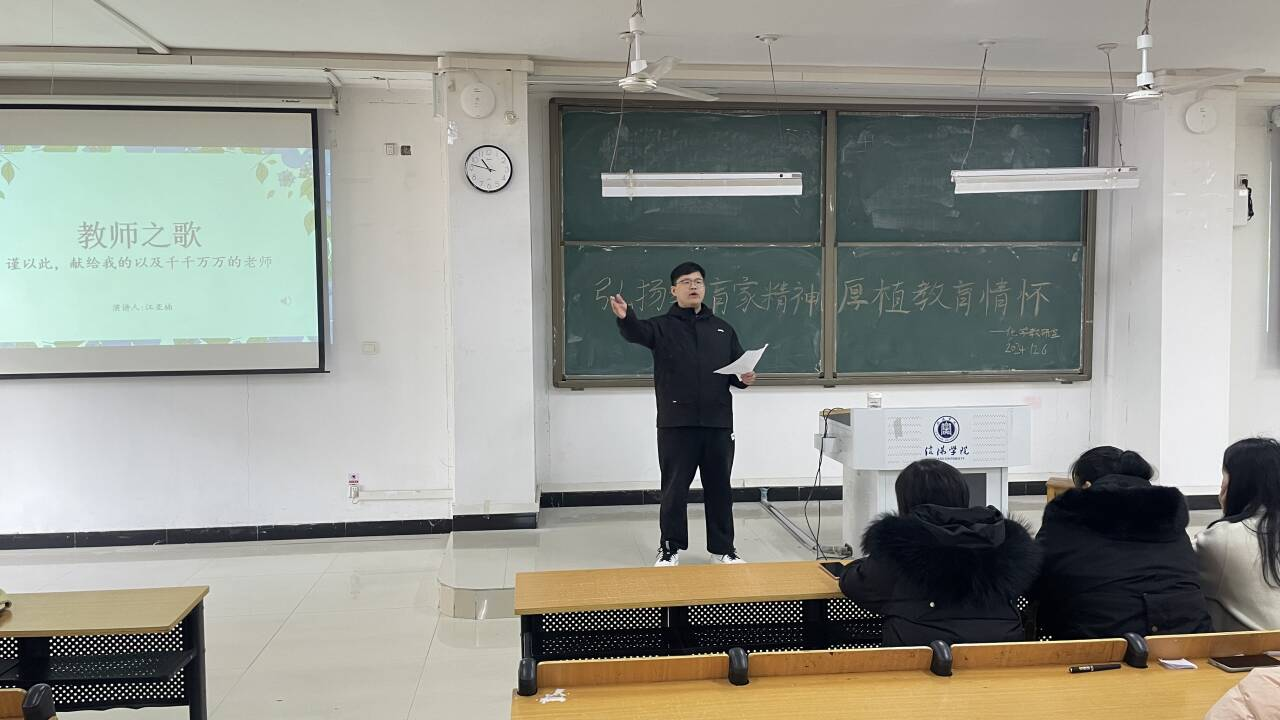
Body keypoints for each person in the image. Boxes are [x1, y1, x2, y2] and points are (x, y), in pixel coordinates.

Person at [611, 262, 755, 567]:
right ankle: (670, 547)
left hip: (718, 422)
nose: (694, 286)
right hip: (677, 423)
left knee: (720, 488)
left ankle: (723, 549)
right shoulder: (661, 327)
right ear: (673, 290)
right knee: (674, 490)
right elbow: (637, 332)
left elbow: (737, 371)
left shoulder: (722, 329)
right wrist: (626, 317)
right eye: (687, 282)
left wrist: (744, 378)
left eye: (699, 281)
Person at [838, 459, 1041, 647]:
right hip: (1002, 657)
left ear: (905, 501)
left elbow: (855, 585)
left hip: (918, 661)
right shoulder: (1006, 540)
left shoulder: (899, 546)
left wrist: (863, 562)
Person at [1033, 446, 1212, 639]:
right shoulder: (1168, 514)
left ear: (1086, 486)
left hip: (1097, 643)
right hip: (1190, 640)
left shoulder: (1067, 514)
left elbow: (1034, 575)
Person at [1195, 438, 1280, 631]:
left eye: (1224, 477)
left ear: (1237, 484)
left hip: (1250, 650)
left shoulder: (1222, 539)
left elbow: (1175, 567)